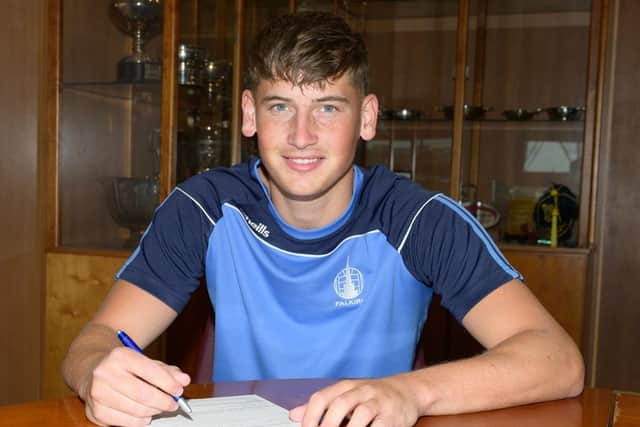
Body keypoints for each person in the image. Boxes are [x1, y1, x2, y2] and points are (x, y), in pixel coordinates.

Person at [62, 11, 584, 427]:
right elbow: (97, 338)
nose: (302, 135)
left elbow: (557, 360)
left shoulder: (418, 219)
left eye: (329, 108)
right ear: (248, 114)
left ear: (368, 117)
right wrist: (96, 375)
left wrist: (410, 392)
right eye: (281, 107)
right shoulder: (203, 207)